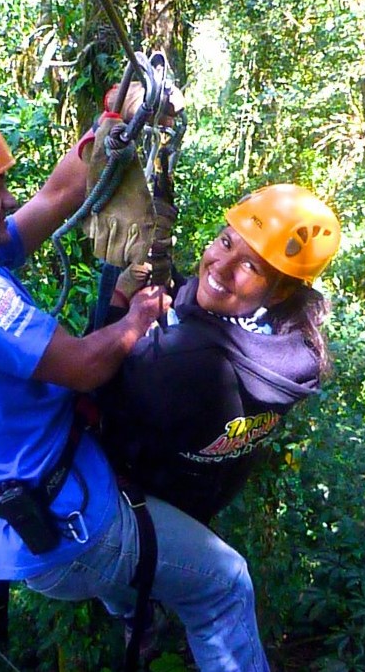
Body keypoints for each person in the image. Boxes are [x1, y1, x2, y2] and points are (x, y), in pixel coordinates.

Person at [0, 108, 272, 671]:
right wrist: (136, 315)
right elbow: (86, 366)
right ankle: (134, 598)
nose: (9, 201)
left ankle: (135, 614)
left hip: (36, 510)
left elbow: (61, 191)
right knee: (224, 586)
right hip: (75, 527)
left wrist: (115, 116)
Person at [98, 183, 341, 525]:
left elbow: (94, 381)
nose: (220, 266)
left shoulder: (187, 364)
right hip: (194, 509)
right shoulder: (296, 352)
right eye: (226, 242)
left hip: (130, 513)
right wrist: (164, 268)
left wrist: (120, 303)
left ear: (280, 291)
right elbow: (202, 315)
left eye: (250, 267)